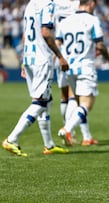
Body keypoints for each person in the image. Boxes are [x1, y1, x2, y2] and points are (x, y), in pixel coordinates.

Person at [2, 0, 70, 156]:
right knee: (40, 103)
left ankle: (49, 145)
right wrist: (60, 57)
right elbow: (46, 32)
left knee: (46, 100)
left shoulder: (31, 4)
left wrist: (24, 59)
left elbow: (26, 34)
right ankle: (12, 139)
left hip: (29, 59)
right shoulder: (47, 4)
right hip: (41, 60)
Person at [56, 0, 109, 146]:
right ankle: (67, 129)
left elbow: (58, 43)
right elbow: (100, 45)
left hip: (69, 68)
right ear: (90, 3)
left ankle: (86, 137)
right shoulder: (92, 20)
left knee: (77, 103)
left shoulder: (65, 22)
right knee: (87, 104)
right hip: (85, 67)